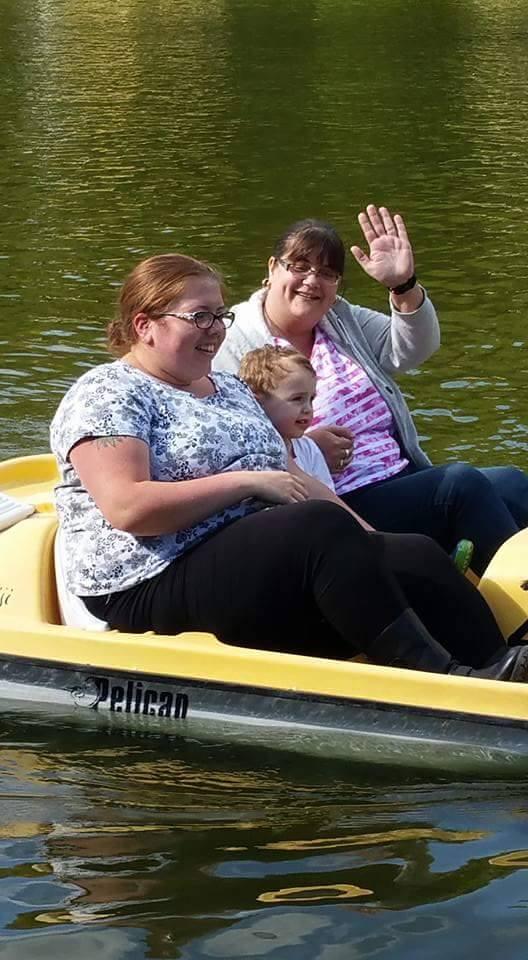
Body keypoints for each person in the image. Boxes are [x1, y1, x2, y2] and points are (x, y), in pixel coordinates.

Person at [49, 253, 528, 682]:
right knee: (314, 526)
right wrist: (245, 483)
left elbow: (296, 479)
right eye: (199, 316)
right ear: (144, 325)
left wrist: (371, 542)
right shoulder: (109, 394)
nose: (216, 328)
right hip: (149, 578)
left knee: (413, 553)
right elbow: (129, 508)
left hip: (252, 561)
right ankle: (438, 681)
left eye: (220, 315)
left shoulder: (229, 388)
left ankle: (505, 668)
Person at [213, 206, 528, 576]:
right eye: (299, 266)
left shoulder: (339, 318)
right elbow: (237, 443)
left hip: (396, 473)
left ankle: (488, 586)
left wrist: (404, 286)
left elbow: (412, 349)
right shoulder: (232, 342)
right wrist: (309, 447)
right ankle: (514, 611)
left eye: (328, 273)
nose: (313, 280)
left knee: (511, 481)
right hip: (337, 499)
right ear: (271, 268)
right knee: (459, 484)